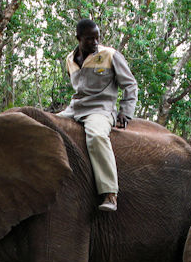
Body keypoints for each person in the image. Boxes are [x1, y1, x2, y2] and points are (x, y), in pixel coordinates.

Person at [58, 19, 138, 212]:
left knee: (96, 136)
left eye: (97, 38)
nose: (94, 42)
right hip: (75, 108)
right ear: (78, 38)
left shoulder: (110, 55)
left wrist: (125, 113)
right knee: (45, 125)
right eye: (89, 39)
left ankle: (110, 192)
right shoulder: (70, 59)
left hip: (100, 109)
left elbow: (130, 85)